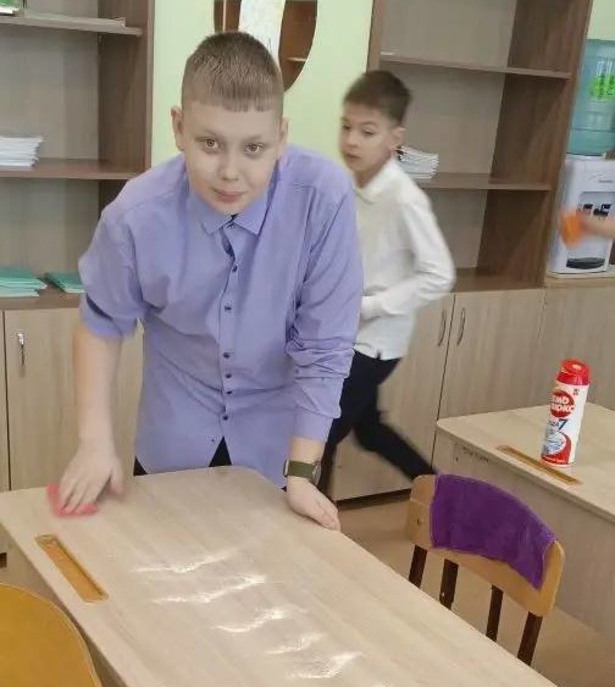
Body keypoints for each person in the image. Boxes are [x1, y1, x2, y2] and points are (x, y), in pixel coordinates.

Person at [58, 32, 363, 530]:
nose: (230, 172)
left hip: (280, 457)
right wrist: (94, 443)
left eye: (254, 148)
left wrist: (302, 472)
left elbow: (324, 348)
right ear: (178, 127)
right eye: (210, 144)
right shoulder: (135, 216)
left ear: (281, 137)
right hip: (172, 444)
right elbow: (101, 324)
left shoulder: (323, 201)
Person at [320, 70, 455, 493]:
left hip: (375, 342)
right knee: (369, 431)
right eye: (346, 127)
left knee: (317, 436)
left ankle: (313, 525)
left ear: (395, 138)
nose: (351, 141)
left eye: (367, 131)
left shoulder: (404, 199)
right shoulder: (349, 184)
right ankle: (443, 493)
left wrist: (370, 306)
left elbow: (440, 274)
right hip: (348, 332)